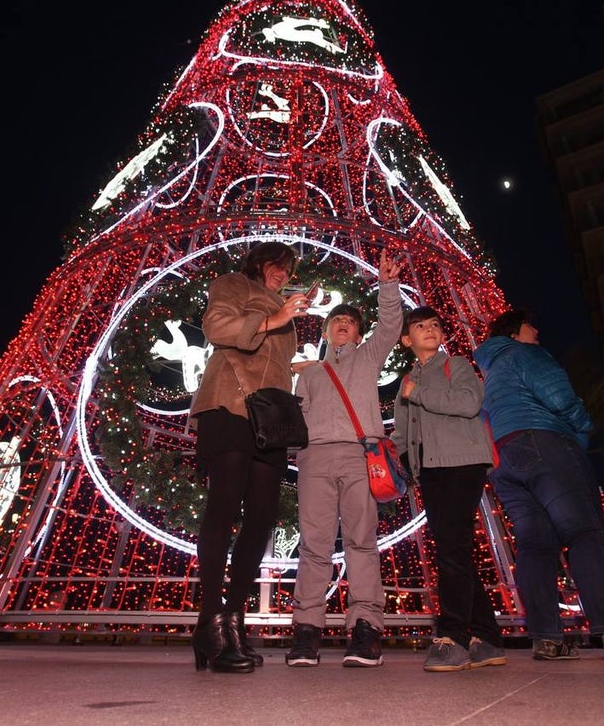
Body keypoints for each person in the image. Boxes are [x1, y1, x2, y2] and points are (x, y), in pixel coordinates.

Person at [474, 308, 604, 662]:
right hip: (546, 444)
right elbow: (558, 397)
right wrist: (583, 427)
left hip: (503, 458)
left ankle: (546, 638)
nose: (537, 329)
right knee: (584, 532)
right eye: (531, 325)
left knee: (534, 545)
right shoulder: (526, 353)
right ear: (515, 333)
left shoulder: (489, 374)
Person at [189, 241, 311, 673]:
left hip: (270, 414)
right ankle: (210, 618)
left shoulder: (282, 305)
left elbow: (274, 359)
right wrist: (274, 317)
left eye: (289, 268)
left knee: (262, 514)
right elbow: (217, 327)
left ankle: (233, 619)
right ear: (260, 262)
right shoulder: (233, 283)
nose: (283, 273)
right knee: (224, 504)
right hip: (230, 402)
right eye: (279, 265)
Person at [285, 249, 402, 668]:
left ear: (357, 334)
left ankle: (366, 629)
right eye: (335, 320)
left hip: (359, 455)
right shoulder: (310, 372)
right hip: (314, 459)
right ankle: (306, 631)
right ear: (326, 330)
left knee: (361, 541)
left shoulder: (370, 358)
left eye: (349, 322)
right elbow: (296, 417)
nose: (341, 325)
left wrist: (387, 285)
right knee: (314, 545)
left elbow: (390, 327)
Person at [392, 307, 503, 672]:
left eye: (435, 325)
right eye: (420, 326)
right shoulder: (408, 380)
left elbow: (470, 403)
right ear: (407, 340)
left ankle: (453, 634)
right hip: (431, 470)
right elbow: (403, 430)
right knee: (454, 549)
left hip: (463, 463)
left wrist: (419, 394)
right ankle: (486, 638)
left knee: (452, 549)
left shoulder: (454, 365)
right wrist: (407, 461)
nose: (429, 330)